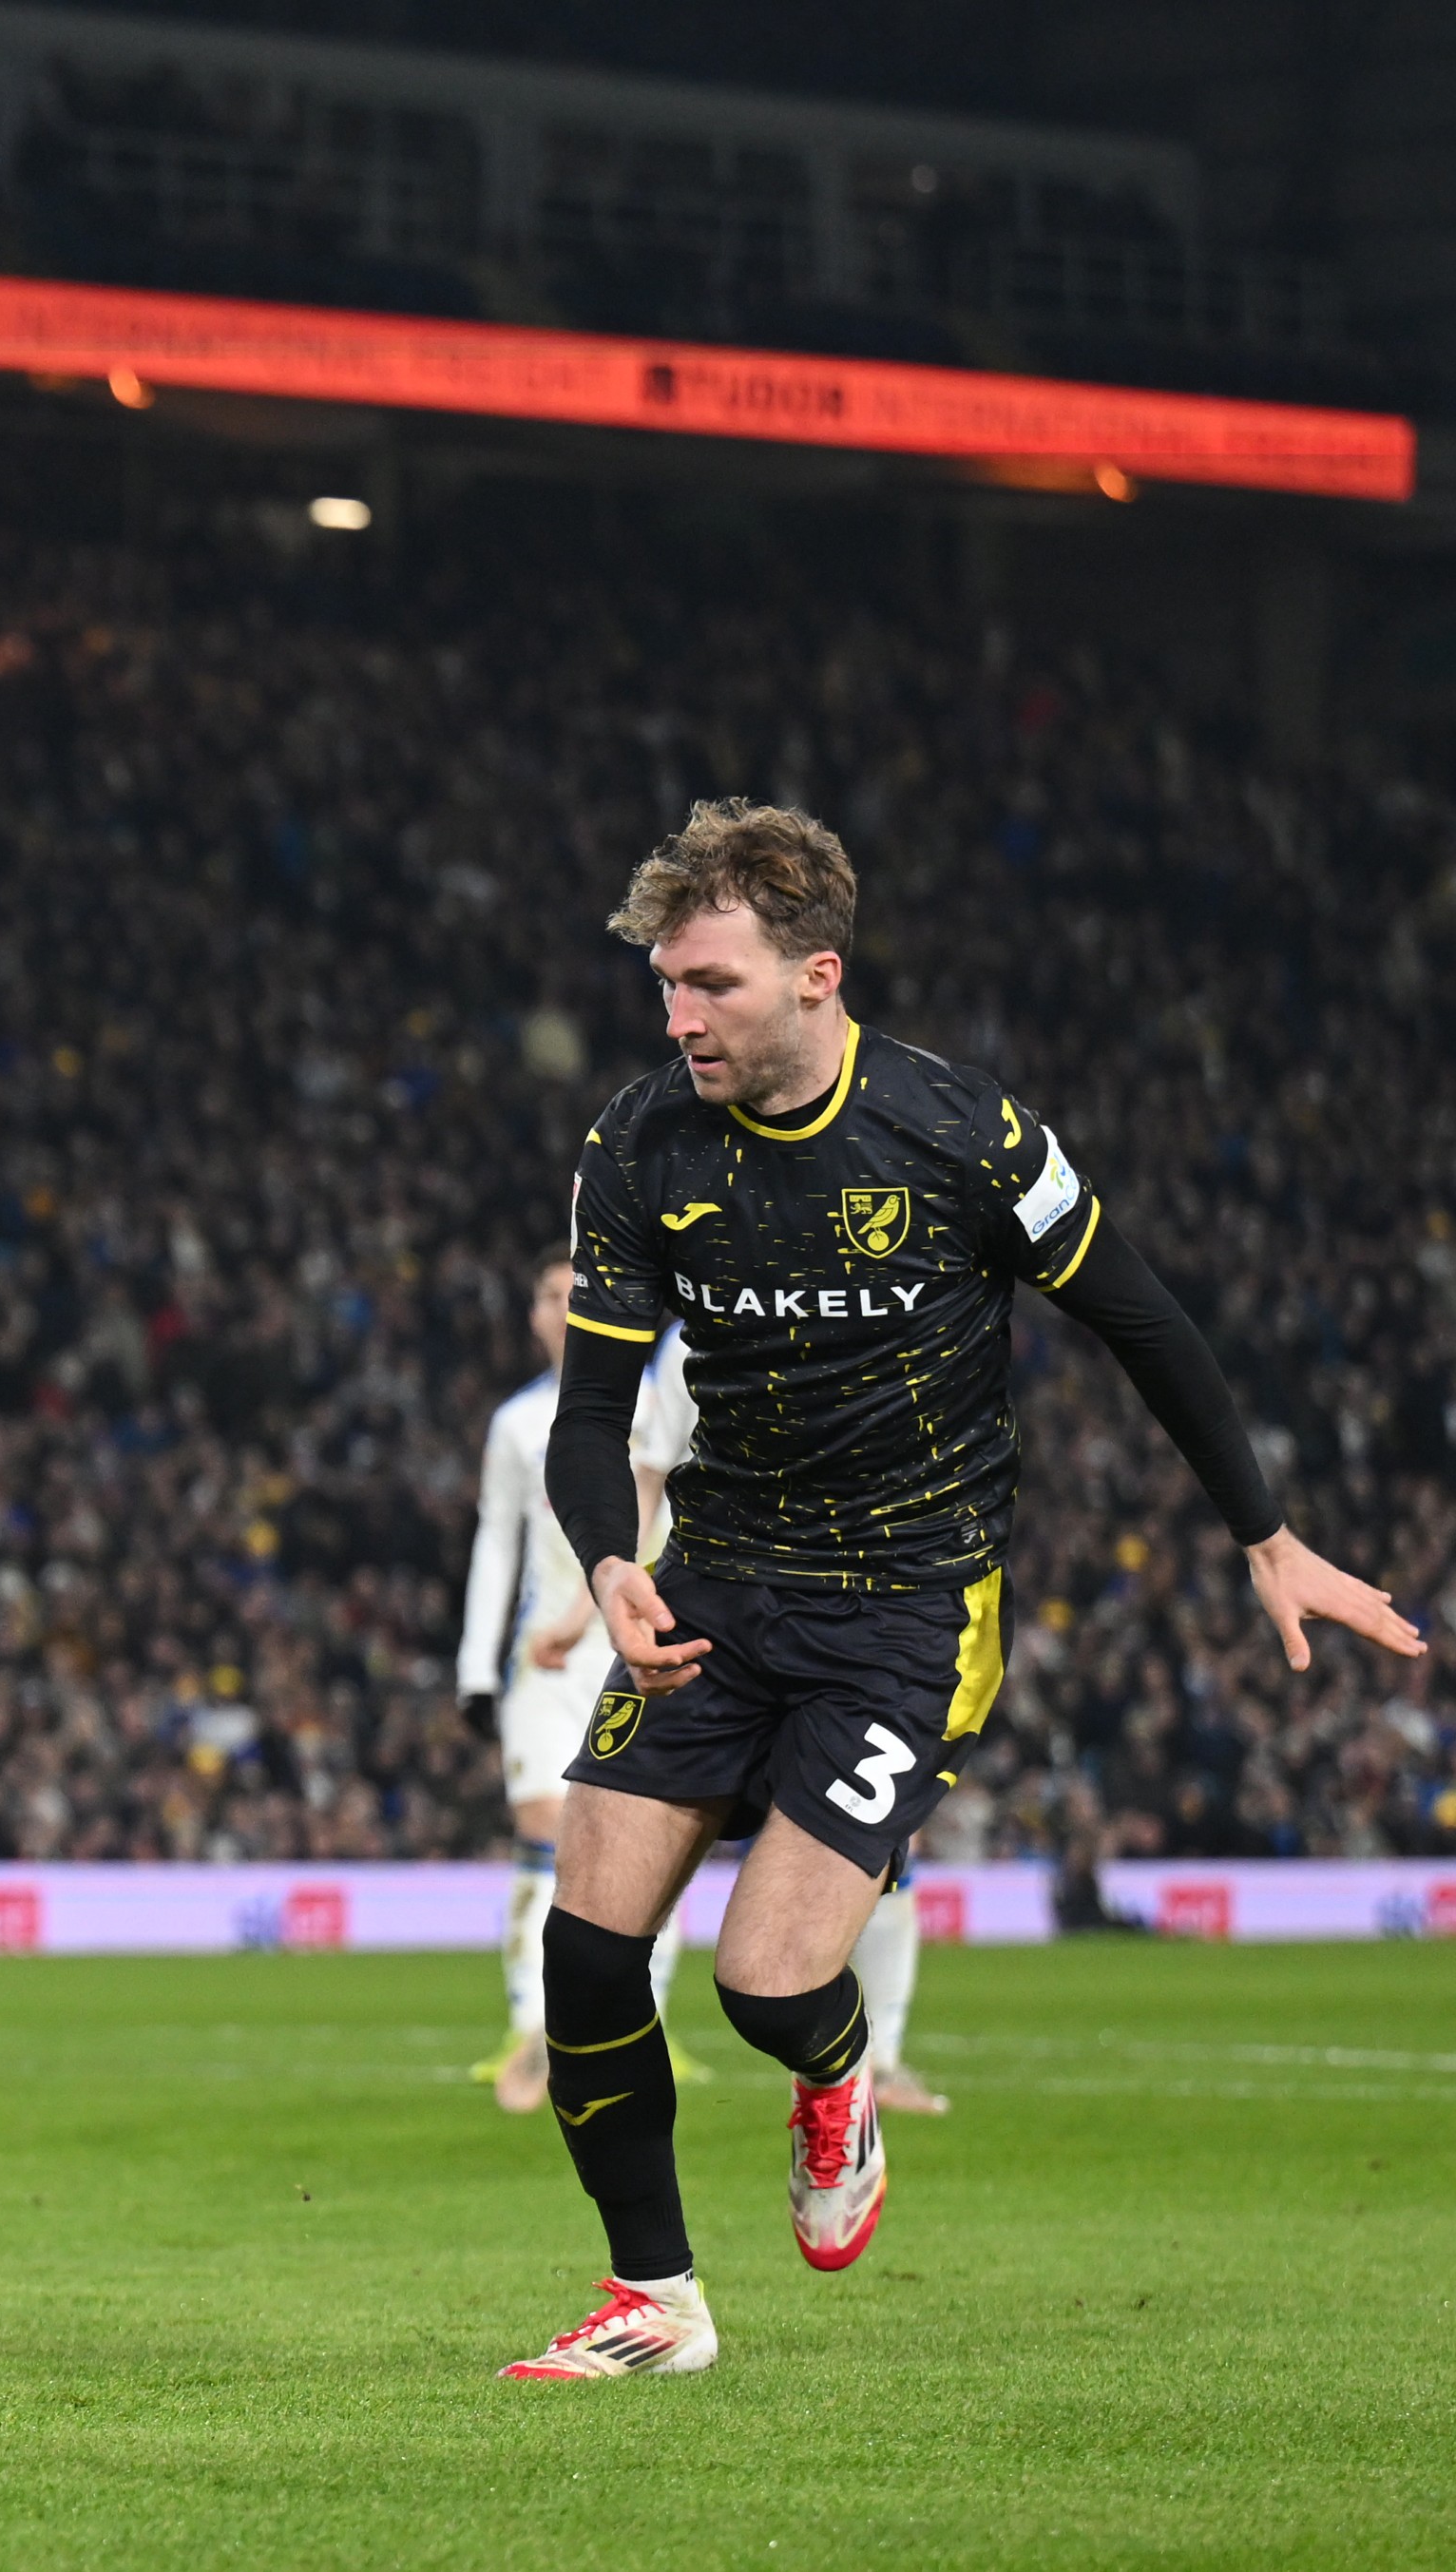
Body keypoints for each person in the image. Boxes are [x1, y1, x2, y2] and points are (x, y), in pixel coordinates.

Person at [503, 801, 1420, 2380]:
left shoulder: (962, 1136)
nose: (677, 1016)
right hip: (720, 1569)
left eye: (709, 982)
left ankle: (836, 2068)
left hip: (910, 1604)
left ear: (816, 974)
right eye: (665, 984)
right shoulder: (641, 1143)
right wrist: (607, 1560)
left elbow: (1142, 1318)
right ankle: (654, 2298)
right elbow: (593, 1414)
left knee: (766, 1984)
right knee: (590, 1952)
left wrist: (1264, 1533)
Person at [630, 1329, 948, 2119]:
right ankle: (647, 2027)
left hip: (862, 1629)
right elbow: (647, 1474)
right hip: (711, 1623)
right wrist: (631, 1592)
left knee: (864, 1844)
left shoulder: (872, 1311)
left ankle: (880, 2056)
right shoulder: (689, 1341)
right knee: (637, 1855)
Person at [459, 1258, 695, 2113]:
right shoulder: (518, 1423)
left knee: (643, 1837)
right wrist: (475, 1665)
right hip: (544, 1659)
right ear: (530, 1316)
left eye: (576, 1295)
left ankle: (646, 2019)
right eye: (549, 1297)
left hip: (632, 1639)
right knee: (544, 1832)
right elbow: (496, 1542)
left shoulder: (658, 1399)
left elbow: (670, 1509)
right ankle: (533, 2026)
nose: (563, 1310)